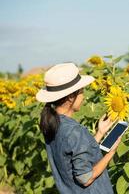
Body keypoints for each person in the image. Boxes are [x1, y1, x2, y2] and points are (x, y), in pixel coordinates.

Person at [36, 63, 121, 193]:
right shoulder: (74, 130)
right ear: (71, 97)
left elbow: (74, 152)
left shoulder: (53, 124)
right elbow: (85, 178)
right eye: (81, 91)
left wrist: (99, 133)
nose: (84, 96)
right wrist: (111, 152)